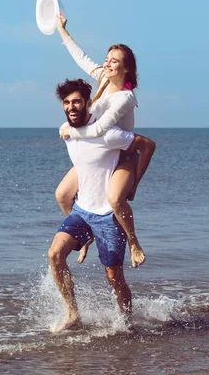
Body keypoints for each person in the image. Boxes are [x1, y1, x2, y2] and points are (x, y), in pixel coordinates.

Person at [48, 79, 156, 332]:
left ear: (88, 103)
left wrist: (135, 182)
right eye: (66, 102)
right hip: (82, 211)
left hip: (108, 216)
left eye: (76, 101)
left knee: (114, 277)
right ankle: (73, 314)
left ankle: (127, 324)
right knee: (55, 255)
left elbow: (147, 146)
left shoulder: (108, 134)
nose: (71, 107)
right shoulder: (66, 131)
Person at [55, 14, 153, 268]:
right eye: (107, 59)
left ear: (126, 68)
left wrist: (70, 130)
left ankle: (134, 243)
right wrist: (62, 30)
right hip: (98, 152)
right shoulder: (102, 79)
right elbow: (81, 57)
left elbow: (99, 129)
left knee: (115, 200)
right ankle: (85, 234)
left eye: (114, 61)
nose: (107, 64)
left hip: (122, 154)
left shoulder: (125, 97)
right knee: (64, 195)